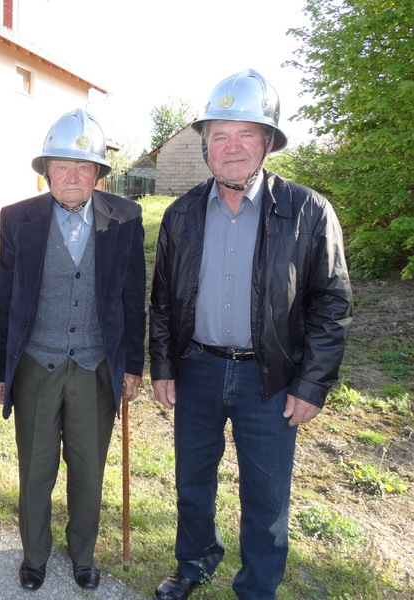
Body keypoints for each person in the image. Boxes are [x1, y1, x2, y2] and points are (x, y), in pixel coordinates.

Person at [149, 69, 353, 600]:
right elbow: (163, 301)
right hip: (197, 370)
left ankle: (258, 588)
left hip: (271, 380)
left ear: (267, 142)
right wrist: (163, 366)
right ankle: (193, 563)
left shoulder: (309, 211)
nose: (232, 147)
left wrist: (312, 384)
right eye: (220, 135)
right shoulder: (181, 214)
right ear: (206, 146)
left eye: (246, 134)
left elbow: (332, 305)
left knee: (265, 496)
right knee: (193, 482)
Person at [0, 108, 147, 592]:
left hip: (95, 366)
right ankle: (35, 556)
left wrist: (133, 365)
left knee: (88, 469)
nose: (73, 176)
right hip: (35, 367)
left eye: (84, 167)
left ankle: (83, 554)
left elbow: (133, 298)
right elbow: (4, 300)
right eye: (62, 166)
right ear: (46, 171)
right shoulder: (17, 218)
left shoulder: (126, 218)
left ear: (99, 173)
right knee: (35, 470)